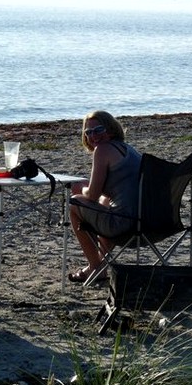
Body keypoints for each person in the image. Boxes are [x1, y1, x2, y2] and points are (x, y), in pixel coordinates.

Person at [68, 110, 142, 283]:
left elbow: (92, 196)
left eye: (98, 130)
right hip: (149, 222)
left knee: (74, 203)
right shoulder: (127, 149)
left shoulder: (102, 150)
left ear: (110, 129)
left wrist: (82, 189)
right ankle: (98, 264)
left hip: (125, 224)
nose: (93, 136)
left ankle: (95, 266)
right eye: (88, 132)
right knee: (105, 201)